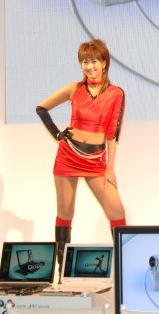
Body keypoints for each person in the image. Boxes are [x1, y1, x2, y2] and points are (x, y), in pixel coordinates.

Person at [36, 39, 127, 276]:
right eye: (85, 62)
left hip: (96, 161)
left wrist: (110, 168)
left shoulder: (116, 94)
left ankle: (124, 269)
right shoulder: (73, 88)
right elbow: (41, 108)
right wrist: (57, 134)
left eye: (94, 61)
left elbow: (113, 133)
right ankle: (61, 272)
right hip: (68, 156)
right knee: (65, 211)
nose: (89, 66)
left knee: (116, 210)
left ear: (104, 63)